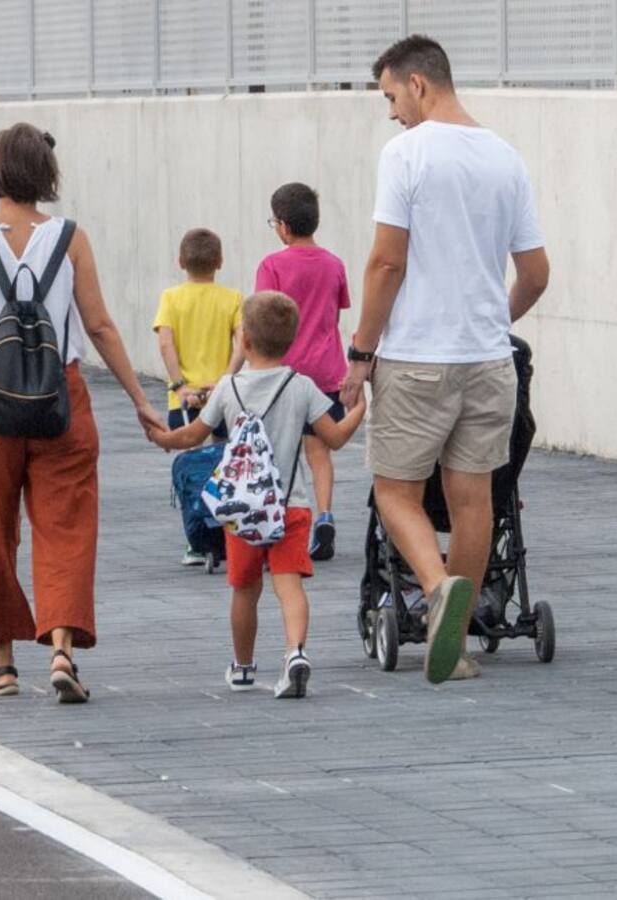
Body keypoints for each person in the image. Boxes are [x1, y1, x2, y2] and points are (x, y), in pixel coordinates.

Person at [0, 123, 165, 704]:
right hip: (61, 399)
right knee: (67, 526)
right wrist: (141, 401)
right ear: (46, 174)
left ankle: (1, 667)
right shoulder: (70, 238)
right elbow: (98, 325)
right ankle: (62, 650)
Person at [339, 36, 549, 684]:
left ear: (418, 84)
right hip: (489, 361)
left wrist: (360, 354)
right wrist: (490, 320)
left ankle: (434, 591)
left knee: (395, 491)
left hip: (416, 359)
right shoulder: (506, 157)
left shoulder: (406, 154)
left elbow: (385, 262)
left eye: (391, 96)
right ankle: (451, 644)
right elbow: (536, 273)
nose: (391, 111)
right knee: (473, 499)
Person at [147, 292, 366, 698]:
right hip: (290, 508)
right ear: (293, 340)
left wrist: (162, 436)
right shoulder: (301, 387)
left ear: (244, 341)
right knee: (290, 588)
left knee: (245, 591)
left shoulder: (229, 388)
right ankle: (296, 652)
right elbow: (333, 439)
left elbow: (195, 434)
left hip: (243, 510)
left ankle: (243, 666)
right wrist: (360, 410)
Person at [256, 183, 351, 562]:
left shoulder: (272, 266)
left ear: (282, 226)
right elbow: (337, 309)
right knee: (320, 452)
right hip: (327, 373)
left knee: (279, 454)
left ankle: (280, 523)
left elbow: (263, 317)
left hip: (284, 376)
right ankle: (324, 516)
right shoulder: (334, 264)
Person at [152, 227, 244, 566]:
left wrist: (179, 385)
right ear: (219, 262)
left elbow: (165, 341)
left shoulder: (171, 298)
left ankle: (197, 542)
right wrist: (226, 380)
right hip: (222, 399)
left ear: (180, 262)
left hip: (185, 402)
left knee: (194, 471)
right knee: (225, 467)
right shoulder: (232, 298)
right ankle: (229, 536)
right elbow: (243, 340)